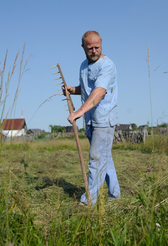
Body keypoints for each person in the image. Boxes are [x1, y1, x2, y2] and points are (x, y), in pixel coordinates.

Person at [65, 30, 120, 205]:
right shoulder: (83, 65)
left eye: (97, 47)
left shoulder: (107, 65)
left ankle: (89, 200)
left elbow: (98, 92)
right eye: (90, 48)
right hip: (90, 119)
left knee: (96, 159)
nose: (94, 51)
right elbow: (88, 89)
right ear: (83, 47)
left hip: (104, 119)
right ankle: (114, 194)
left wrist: (78, 112)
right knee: (105, 157)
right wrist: (73, 90)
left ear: (101, 45)